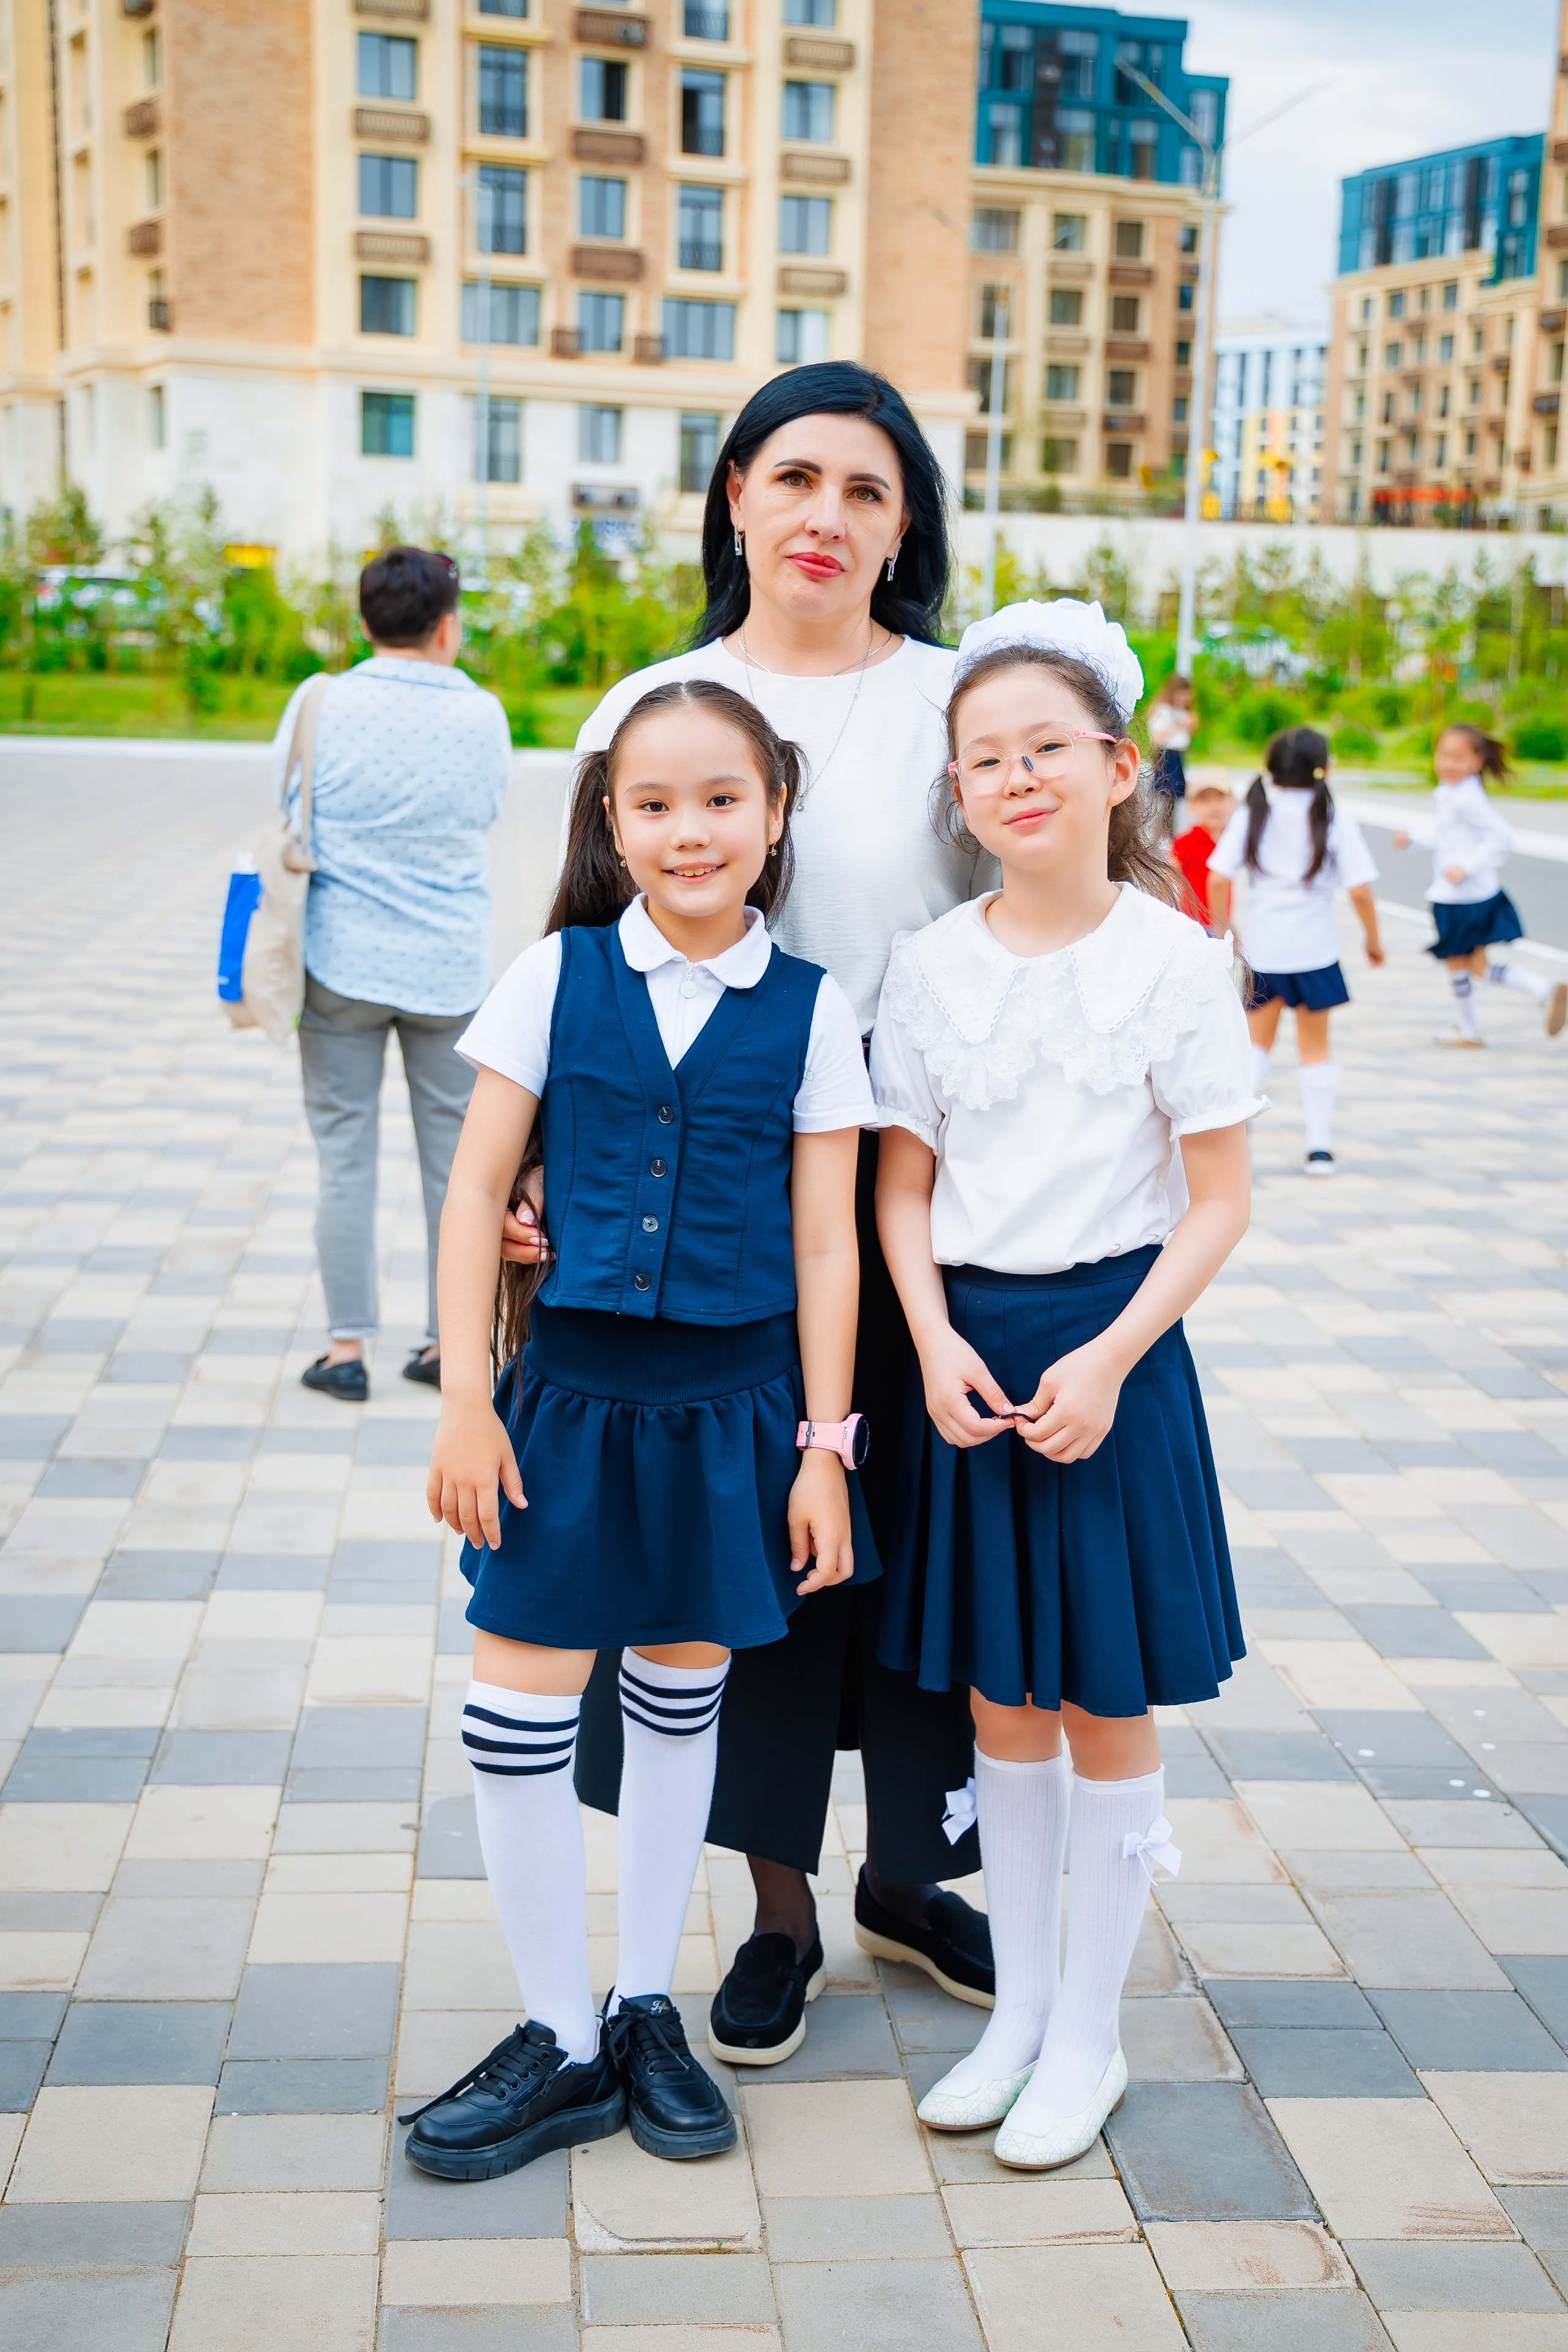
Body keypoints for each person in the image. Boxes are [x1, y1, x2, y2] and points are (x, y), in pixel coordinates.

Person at [505, 363, 998, 2068]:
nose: (827, 517)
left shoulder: (963, 700)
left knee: (929, 1551)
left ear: (906, 522)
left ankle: (914, 1880)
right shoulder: (660, 700)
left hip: (933, 1199)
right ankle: (781, 1911)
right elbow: (573, 954)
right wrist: (534, 1185)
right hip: (716, 1207)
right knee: (765, 1559)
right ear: (734, 498)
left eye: (868, 490)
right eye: (796, 479)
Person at [401, 680, 877, 2182]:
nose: (689, 830)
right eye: (653, 802)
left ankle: (640, 2003)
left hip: (734, 1417)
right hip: (567, 1405)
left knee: (683, 1703)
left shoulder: (812, 1007)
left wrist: (821, 1447)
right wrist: (468, 1399)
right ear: (609, 820)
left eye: (721, 798)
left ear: (776, 810)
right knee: (518, 1713)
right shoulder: (554, 976)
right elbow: (477, 1187)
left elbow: (825, 1247)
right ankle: (558, 2031)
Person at [870, 600, 1260, 2171]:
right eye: (984, 757)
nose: (1015, 777)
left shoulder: (1174, 959)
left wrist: (1109, 1354)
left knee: (1103, 1696)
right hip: (967, 1354)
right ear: (955, 790)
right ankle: (1015, 2014)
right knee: (996, 1704)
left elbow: (1218, 1195)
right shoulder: (925, 964)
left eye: (1046, 748)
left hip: (1114, 1357)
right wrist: (933, 1343)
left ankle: (1087, 2035)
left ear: (1113, 766)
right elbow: (902, 1189)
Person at [281, 545, 511, 1402]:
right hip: (446, 970)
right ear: (447, 625)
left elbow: (286, 802)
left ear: (366, 623)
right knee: (457, 1166)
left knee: (343, 1157)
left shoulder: (321, 701)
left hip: (337, 961)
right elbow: (489, 808)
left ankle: (345, 1351)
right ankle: (446, 1345)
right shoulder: (481, 712)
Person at [1207, 727, 1384, 1179]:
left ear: (1270, 768)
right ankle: (1319, 1148)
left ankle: (1233, 1137)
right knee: (1316, 1049)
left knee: (1254, 1048)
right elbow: (1360, 889)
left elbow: (1217, 878)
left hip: (1264, 951)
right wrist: (1373, 939)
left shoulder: (1254, 813)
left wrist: (1223, 930)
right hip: (1316, 950)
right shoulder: (1332, 816)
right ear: (1324, 768)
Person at [1391, 722, 1567, 1046]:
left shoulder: (1465, 798)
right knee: (1477, 966)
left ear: (1477, 761)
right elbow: (1447, 833)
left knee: (1461, 965)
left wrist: (1465, 867)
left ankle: (1469, 1027)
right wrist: (1413, 838)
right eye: (1443, 754)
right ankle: (1541, 990)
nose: (1448, 763)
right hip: (1474, 895)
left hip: (1461, 898)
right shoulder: (1455, 793)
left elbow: (1501, 837)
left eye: (1458, 757)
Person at [1170, 782, 1235, 923]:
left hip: (1223, 920)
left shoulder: (1233, 839)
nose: (1214, 806)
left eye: (1220, 798)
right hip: (1194, 922)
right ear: (1191, 806)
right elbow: (1168, 879)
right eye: (1205, 800)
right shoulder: (1184, 842)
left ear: (1232, 802)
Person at [1146, 672, 1196, 807]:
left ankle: (1169, 828)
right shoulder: (1163, 710)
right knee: (1166, 800)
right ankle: (1165, 828)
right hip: (1167, 756)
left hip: (1178, 755)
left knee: (1174, 801)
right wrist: (1178, 725)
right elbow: (1157, 738)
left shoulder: (1181, 711)